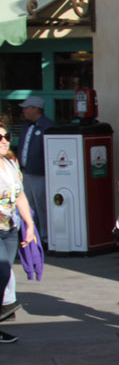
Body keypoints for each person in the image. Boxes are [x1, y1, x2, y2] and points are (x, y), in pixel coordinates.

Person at [0, 121, 38, 343]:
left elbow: (20, 196)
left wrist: (29, 224)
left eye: (7, 137)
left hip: (10, 230)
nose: (4, 141)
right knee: (3, 272)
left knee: (3, 276)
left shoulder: (11, 165)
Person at [19, 95, 53, 246]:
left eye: (27, 108)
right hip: (26, 173)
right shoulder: (25, 126)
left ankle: (45, 238)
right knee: (29, 207)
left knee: (42, 207)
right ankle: (32, 236)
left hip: (41, 174)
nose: (24, 111)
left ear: (36, 109)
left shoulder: (48, 126)